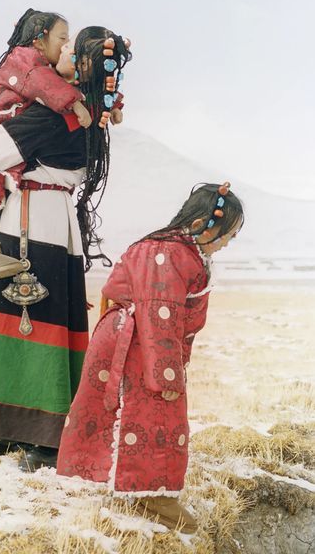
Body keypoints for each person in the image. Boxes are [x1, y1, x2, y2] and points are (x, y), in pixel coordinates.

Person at [0, 26, 132, 469]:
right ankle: (13, 427)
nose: (59, 53)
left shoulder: (48, 117)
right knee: (34, 321)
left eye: (70, 48)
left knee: (29, 321)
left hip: (28, 222)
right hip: (53, 220)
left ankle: (40, 435)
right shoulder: (88, 114)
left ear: (84, 63)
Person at [56, 182, 244, 534]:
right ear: (206, 223)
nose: (226, 243)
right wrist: (167, 373)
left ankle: (126, 484)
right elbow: (161, 313)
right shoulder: (170, 253)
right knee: (156, 413)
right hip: (140, 342)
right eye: (227, 234)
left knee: (125, 414)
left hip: (135, 340)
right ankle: (153, 496)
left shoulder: (172, 248)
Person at [0, 8, 108, 298]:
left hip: (35, 222)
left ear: (84, 62)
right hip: (47, 220)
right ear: (39, 40)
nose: (65, 44)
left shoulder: (52, 112)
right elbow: (47, 87)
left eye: (70, 42)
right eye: (63, 38)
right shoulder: (42, 79)